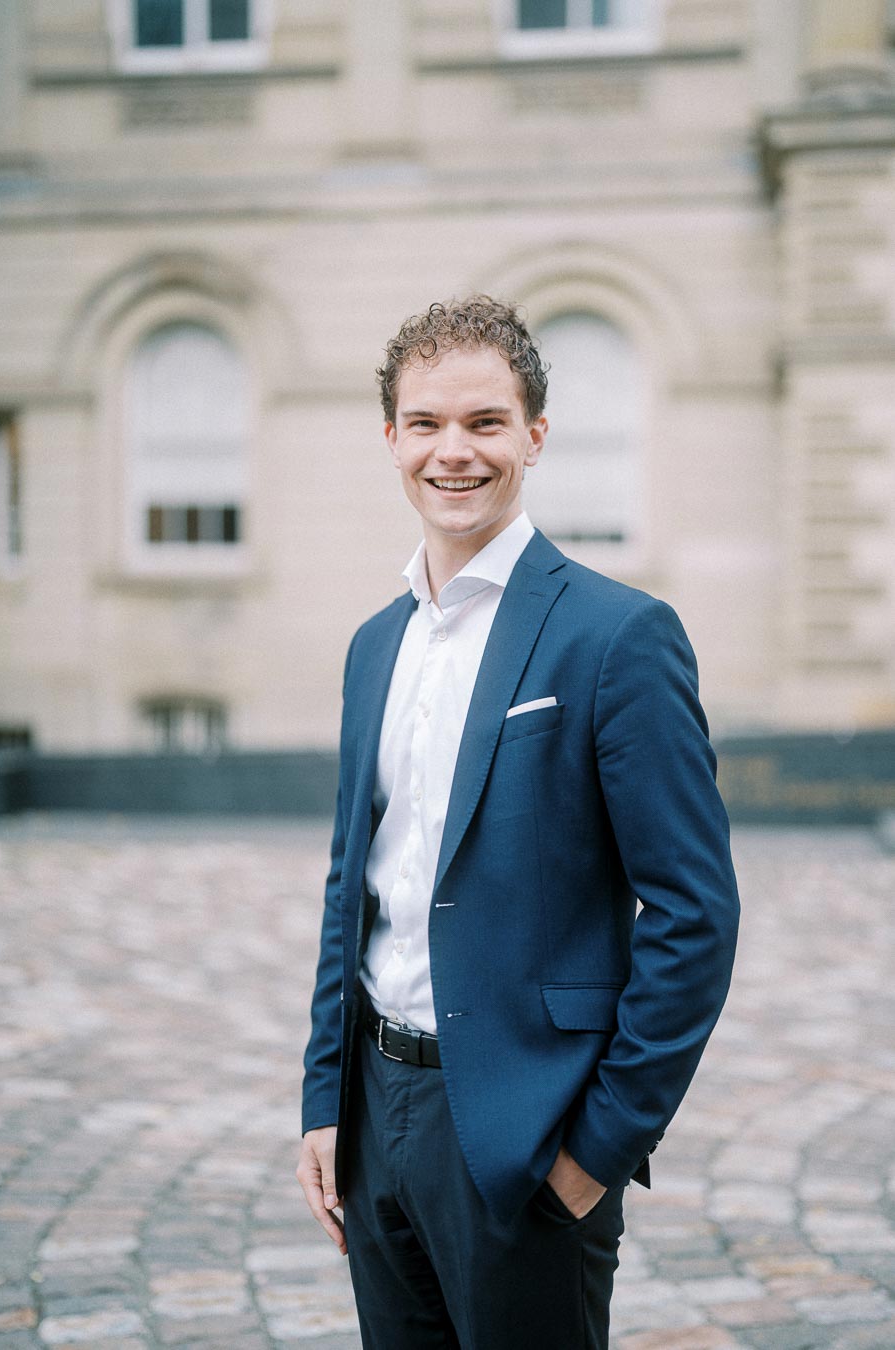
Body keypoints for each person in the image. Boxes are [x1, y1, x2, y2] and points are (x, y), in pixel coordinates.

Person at [297, 295, 739, 1349]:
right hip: (376, 1116)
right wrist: (325, 1102)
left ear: (534, 437)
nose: (454, 451)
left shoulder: (618, 636)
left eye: (485, 422)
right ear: (392, 439)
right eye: (426, 423)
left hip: (527, 1132)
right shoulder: (374, 645)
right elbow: (352, 885)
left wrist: (595, 1153)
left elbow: (694, 915)